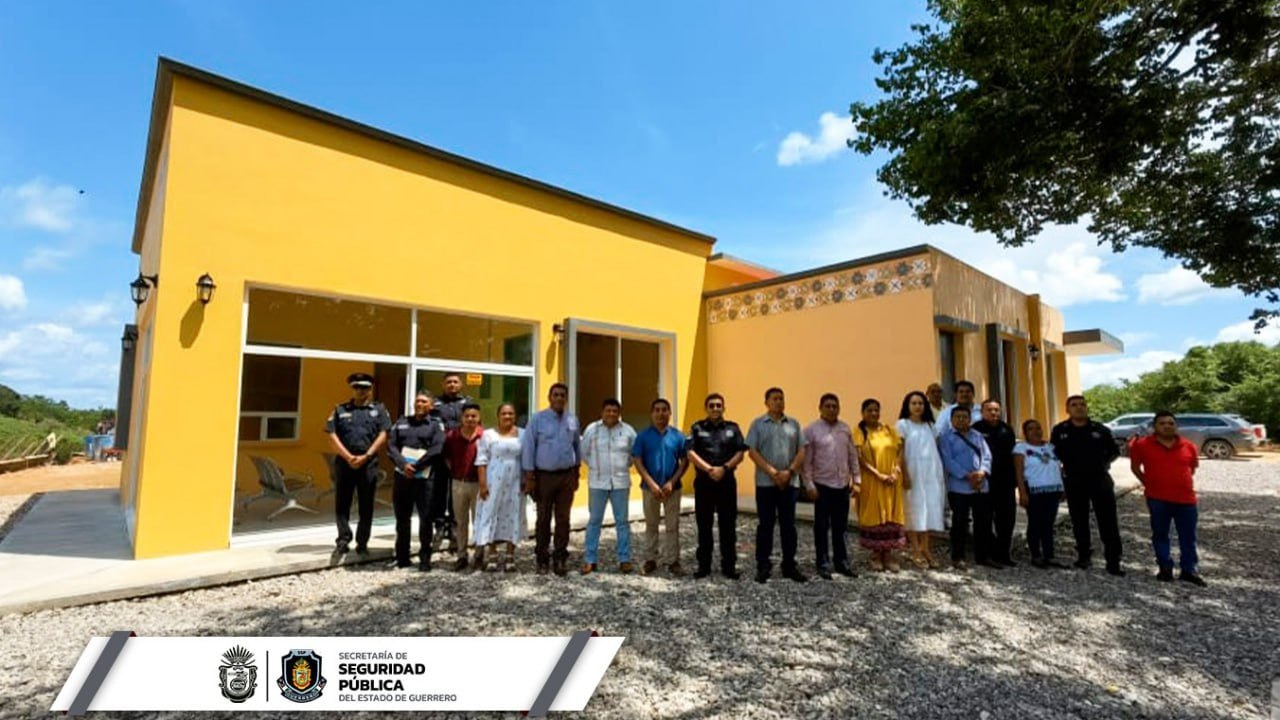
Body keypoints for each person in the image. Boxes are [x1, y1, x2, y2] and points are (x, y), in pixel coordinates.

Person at [1129, 412, 1205, 586]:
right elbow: (1135, 467)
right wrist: (1147, 483)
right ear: (1155, 426)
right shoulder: (1142, 445)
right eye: (1162, 423)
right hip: (1157, 499)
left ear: (1176, 426)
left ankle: (1189, 570)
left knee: (1188, 537)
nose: (1167, 426)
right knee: (1160, 534)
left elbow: (1192, 469)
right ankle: (1165, 568)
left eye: (1171, 423)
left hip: (1186, 500)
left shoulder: (1188, 446)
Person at [1051, 395, 1124, 576]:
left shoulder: (1100, 430)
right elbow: (1054, 454)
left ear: (1087, 408)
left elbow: (1114, 451)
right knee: (1079, 520)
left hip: (1099, 479)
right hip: (1074, 480)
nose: (1079, 407)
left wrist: (1102, 463)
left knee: (1108, 521)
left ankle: (1113, 560)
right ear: (1067, 409)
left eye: (1082, 404)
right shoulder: (1060, 430)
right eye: (1074, 405)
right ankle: (1083, 556)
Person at [325, 372, 391, 557]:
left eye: (364, 387)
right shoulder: (340, 410)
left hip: (368, 464)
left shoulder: (379, 410)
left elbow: (384, 434)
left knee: (366, 504)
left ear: (370, 390)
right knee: (342, 503)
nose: (360, 391)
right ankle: (343, 540)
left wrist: (366, 456)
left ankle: (362, 542)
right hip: (344, 463)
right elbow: (331, 435)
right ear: (352, 389)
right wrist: (348, 457)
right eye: (356, 387)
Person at [746, 387, 807, 584]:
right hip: (765, 484)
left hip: (790, 483)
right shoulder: (757, 424)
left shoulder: (794, 424)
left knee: (789, 525)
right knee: (766, 525)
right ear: (766, 402)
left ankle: (789, 565)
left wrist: (789, 472)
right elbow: (752, 452)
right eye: (775, 399)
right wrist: (773, 472)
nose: (779, 402)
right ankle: (763, 565)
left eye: (781, 398)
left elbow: (802, 451)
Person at [521, 383, 581, 576]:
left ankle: (560, 558)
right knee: (543, 518)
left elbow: (577, 447)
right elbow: (529, 447)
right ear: (549, 397)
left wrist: (576, 472)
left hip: (566, 476)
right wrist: (530, 476)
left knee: (563, 519)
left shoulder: (572, 420)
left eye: (563, 395)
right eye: (556, 395)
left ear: (566, 398)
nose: (559, 398)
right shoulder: (538, 419)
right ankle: (542, 559)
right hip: (544, 476)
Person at [687, 393, 747, 579]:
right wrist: (709, 469)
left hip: (726, 483)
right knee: (704, 526)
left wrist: (724, 468)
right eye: (711, 405)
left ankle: (729, 567)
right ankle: (704, 566)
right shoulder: (697, 428)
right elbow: (690, 452)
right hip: (704, 484)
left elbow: (740, 452)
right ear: (706, 408)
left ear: (723, 408)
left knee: (728, 526)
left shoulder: (733, 428)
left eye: (718, 405)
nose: (715, 408)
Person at [802, 393, 860, 580]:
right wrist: (809, 485)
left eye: (835, 406)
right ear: (820, 408)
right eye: (827, 406)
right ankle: (823, 563)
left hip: (842, 485)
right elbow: (806, 462)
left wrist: (857, 480)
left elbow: (852, 456)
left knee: (840, 527)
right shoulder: (811, 430)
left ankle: (842, 562)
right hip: (822, 486)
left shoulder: (845, 429)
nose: (831, 409)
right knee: (821, 527)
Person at [386, 391, 445, 570]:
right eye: (418, 401)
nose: (419, 404)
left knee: (426, 519)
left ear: (431, 406)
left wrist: (417, 466)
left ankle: (425, 558)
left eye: (424, 401)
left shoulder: (435, 425)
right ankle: (402, 557)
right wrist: (403, 465)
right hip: (403, 477)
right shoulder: (401, 422)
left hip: (424, 478)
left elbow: (437, 449)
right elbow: (391, 446)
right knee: (402, 518)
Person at [632, 398, 690, 576]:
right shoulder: (643, 436)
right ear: (652, 413)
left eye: (664, 410)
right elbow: (637, 460)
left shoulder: (678, 436)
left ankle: (673, 561)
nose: (660, 413)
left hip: (673, 488)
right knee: (651, 525)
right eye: (656, 410)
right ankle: (650, 560)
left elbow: (685, 461)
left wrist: (672, 482)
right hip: (649, 488)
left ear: (669, 413)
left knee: (672, 526)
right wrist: (650, 483)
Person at [580, 398, 637, 575]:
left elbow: (634, 454)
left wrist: (622, 466)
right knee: (594, 521)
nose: (611, 413)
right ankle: (590, 559)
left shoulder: (628, 431)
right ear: (602, 412)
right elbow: (584, 452)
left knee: (622, 522)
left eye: (615, 411)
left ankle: (624, 559)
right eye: (608, 410)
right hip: (598, 482)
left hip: (620, 483)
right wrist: (596, 467)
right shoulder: (592, 429)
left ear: (619, 413)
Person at [938, 406, 995, 570]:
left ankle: (983, 556)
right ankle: (958, 556)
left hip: (980, 486)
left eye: (964, 417)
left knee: (983, 522)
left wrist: (982, 472)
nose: (961, 420)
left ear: (970, 419)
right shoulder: (945, 437)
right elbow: (948, 461)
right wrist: (967, 475)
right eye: (958, 417)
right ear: (951, 419)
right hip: (959, 487)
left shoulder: (977, 436)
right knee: (959, 522)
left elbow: (987, 456)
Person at [853, 398, 907, 572]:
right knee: (875, 514)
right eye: (869, 410)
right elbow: (859, 457)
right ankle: (876, 554)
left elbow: (900, 450)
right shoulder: (859, 431)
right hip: (872, 480)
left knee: (891, 514)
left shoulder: (889, 430)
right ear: (863, 413)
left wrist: (896, 471)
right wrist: (878, 474)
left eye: (876, 410)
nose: (874, 413)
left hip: (891, 481)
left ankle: (888, 554)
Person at [474, 403, 527, 573]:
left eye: (511, 413)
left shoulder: (523, 434)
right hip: (493, 481)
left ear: (515, 416)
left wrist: (527, 480)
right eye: (504, 413)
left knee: (513, 514)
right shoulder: (488, 435)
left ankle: (510, 555)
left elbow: (526, 459)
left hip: (515, 481)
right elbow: (481, 460)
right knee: (492, 514)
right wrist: (483, 484)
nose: (507, 416)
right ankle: (492, 553)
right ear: (498, 416)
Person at [897, 391, 946, 569]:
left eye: (920, 403)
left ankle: (926, 548)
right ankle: (915, 550)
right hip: (913, 472)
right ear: (907, 406)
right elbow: (900, 452)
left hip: (931, 472)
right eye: (914, 403)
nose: (917, 406)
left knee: (930, 509)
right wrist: (904, 474)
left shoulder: (930, 425)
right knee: (914, 509)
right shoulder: (903, 425)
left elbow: (935, 448)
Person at [429, 373, 473, 555]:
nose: (452, 385)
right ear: (443, 385)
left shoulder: (467, 403)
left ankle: (454, 526)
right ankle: (439, 526)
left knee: (456, 492)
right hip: (439, 454)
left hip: (460, 454)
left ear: (460, 384)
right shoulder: (435, 403)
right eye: (448, 382)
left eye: (455, 382)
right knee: (439, 491)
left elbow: (474, 423)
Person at [1014, 419, 1067, 569]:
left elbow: (1058, 468)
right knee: (1035, 523)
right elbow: (1019, 473)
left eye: (1038, 428)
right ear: (1025, 433)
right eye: (1031, 429)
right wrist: (1022, 493)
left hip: (1053, 490)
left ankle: (1049, 555)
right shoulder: (1021, 448)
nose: (1036, 431)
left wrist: (1063, 487)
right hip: (1034, 491)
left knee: (1049, 524)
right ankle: (1036, 555)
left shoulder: (1051, 447)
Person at [973, 399, 1018, 567]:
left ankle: (1003, 554)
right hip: (985, 481)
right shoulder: (976, 429)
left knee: (1007, 520)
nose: (993, 413)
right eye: (989, 410)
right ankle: (984, 555)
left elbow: (1013, 455)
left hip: (1005, 482)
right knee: (983, 520)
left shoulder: (1007, 429)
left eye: (996, 410)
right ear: (982, 412)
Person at [445, 403, 484, 571]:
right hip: (458, 484)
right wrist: (456, 472)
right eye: (467, 416)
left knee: (479, 521)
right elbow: (446, 457)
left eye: (473, 416)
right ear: (462, 418)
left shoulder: (485, 436)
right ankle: (462, 555)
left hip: (479, 485)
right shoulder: (452, 436)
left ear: (479, 418)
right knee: (460, 521)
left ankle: (479, 555)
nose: (470, 419)